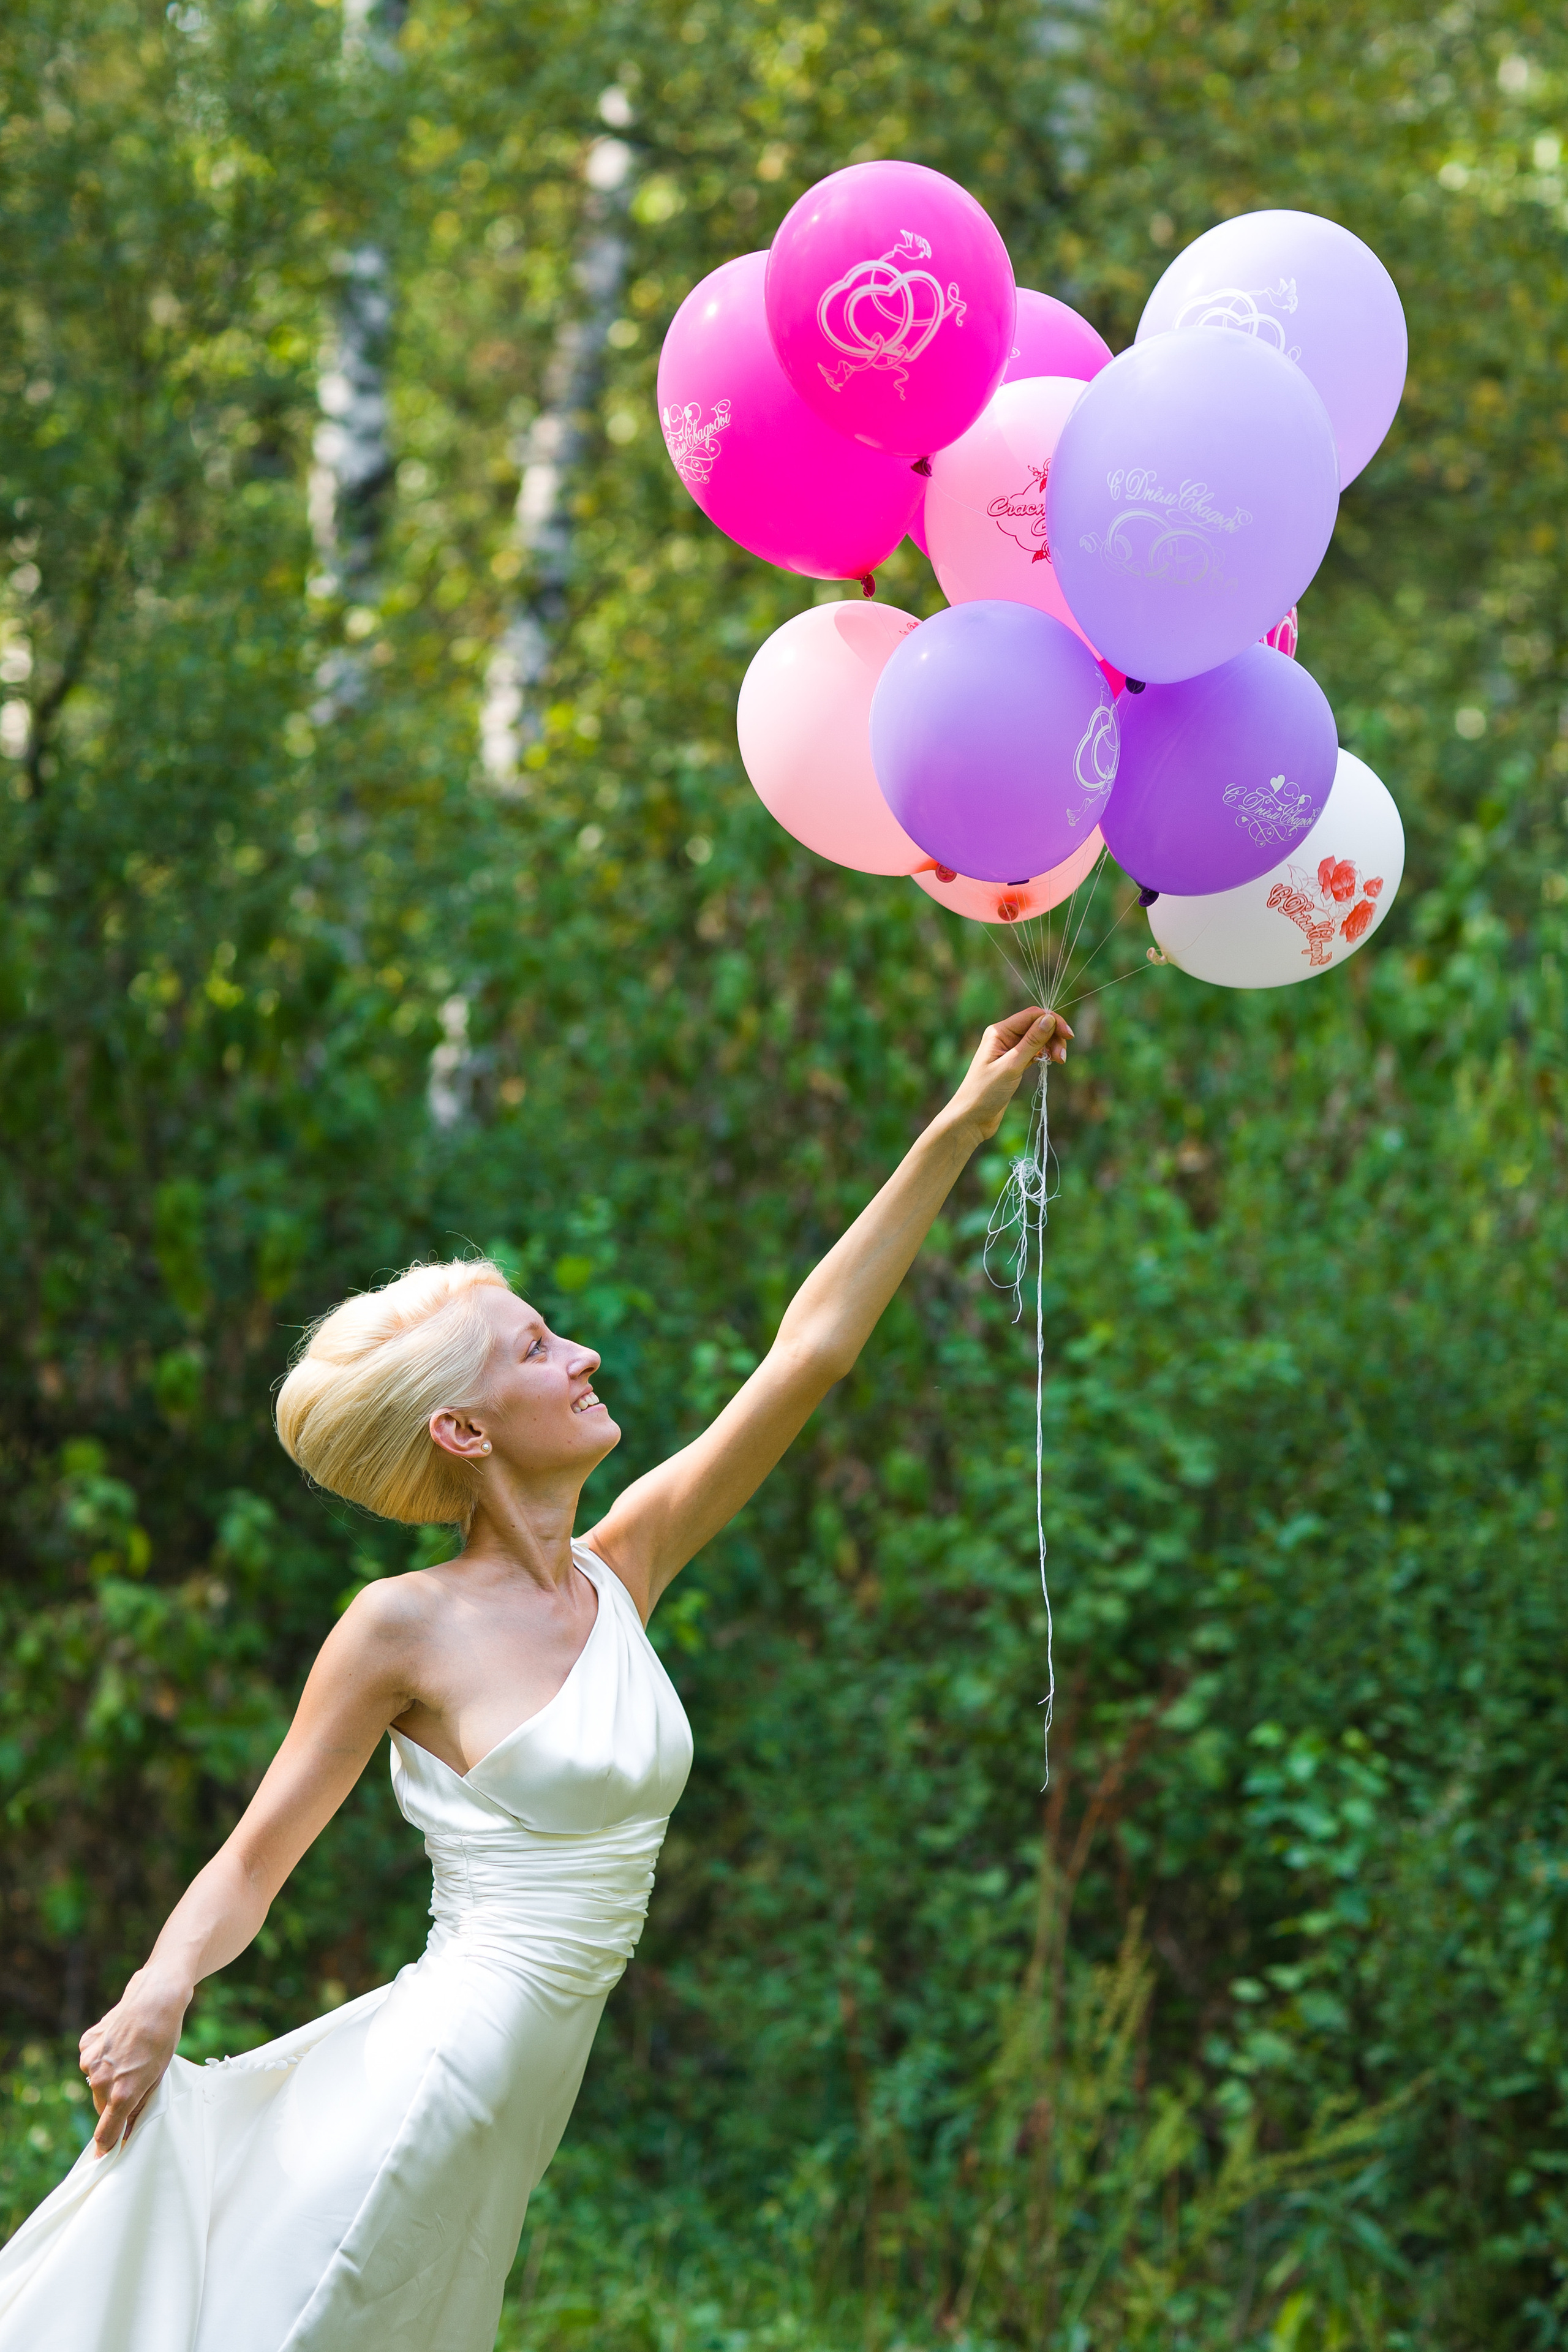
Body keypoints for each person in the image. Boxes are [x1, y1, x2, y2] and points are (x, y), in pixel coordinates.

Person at [0, 1005, 1071, 2352]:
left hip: (517, 2113)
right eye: (537, 1349)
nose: (582, 1358)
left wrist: (960, 1125)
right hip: (437, 2078)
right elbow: (253, 1862)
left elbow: (809, 1353)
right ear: (462, 1429)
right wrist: (160, 1987)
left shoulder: (626, 1570)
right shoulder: (399, 1627)